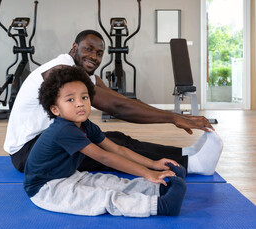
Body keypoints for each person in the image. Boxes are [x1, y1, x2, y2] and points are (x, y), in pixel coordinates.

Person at [4, 29, 223, 175]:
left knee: (117, 139)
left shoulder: (85, 76)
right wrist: (173, 118)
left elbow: (122, 100)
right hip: (29, 153)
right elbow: (117, 107)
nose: (94, 57)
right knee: (103, 153)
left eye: (99, 53)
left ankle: (184, 155)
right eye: (88, 49)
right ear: (74, 48)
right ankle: (192, 166)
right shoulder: (63, 69)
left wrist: (175, 118)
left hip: (48, 141)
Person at [24, 65, 187, 217]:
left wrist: (153, 164)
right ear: (55, 109)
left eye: (84, 97)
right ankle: (160, 205)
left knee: (111, 182)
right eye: (70, 100)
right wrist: (147, 173)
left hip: (69, 175)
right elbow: (104, 157)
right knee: (102, 197)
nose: (80, 103)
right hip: (46, 188)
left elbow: (118, 150)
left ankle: (159, 190)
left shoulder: (85, 125)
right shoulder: (63, 129)